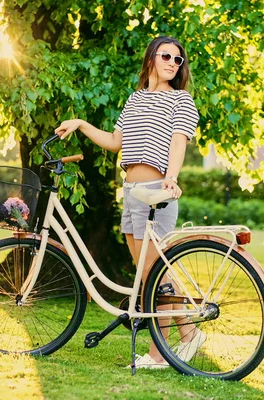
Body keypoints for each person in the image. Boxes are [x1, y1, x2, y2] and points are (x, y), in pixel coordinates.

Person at [55, 36, 203, 369]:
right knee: (149, 272)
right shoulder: (135, 99)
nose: (171, 63)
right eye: (166, 56)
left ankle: (158, 352)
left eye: (177, 60)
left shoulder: (182, 101)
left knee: (154, 274)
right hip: (131, 192)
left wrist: (172, 177)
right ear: (151, 57)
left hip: (156, 191)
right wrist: (80, 123)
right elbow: (114, 141)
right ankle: (189, 334)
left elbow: (178, 143)